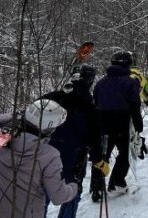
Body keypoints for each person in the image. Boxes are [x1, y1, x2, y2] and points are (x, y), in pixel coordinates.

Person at [0, 99, 77, 218]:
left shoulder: (0, 140)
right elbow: (58, 196)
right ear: (49, 129)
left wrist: (18, 115)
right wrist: (74, 187)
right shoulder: (49, 155)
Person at [42, 64, 102, 216]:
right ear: (90, 81)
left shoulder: (52, 97)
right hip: (74, 158)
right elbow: (95, 137)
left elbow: (32, 116)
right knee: (72, 192)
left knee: (43, 191)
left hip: (47, 154)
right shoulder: (90, 105)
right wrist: (98, 160)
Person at [92, 50, 143, 195]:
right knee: (125, 153)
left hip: (103, 122)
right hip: (122, 121)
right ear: (127, 64)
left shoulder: (100, 83)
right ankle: (117, 182)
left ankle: (96, 188)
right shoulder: (131, 82)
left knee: (102, 154)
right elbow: (134, 105)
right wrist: (139, 126)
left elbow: (95, 103)